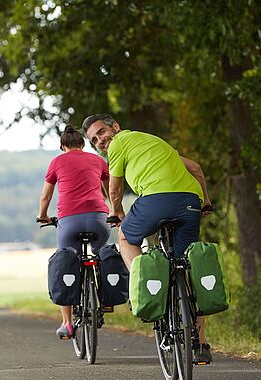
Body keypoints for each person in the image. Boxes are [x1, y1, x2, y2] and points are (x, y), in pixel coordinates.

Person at [82, 113, 214, 363]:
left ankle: (141, 287)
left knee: (125, 238)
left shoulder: (118, 143)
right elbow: (195, 168)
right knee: (187, 266)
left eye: (101, 133)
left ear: (116, 127)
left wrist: (115, 210)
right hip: (189, 202)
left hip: (155, 200)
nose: (100, 141)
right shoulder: (155, 142)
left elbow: (114, 187)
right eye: (94, 140)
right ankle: (201, 342)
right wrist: (206, 201)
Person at [37, 125, 112, 340]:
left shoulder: (57, 162)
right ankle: (106, 298)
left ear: (63, 146)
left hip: (69, 221)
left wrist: (43, 215)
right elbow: (110, 190)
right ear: (83, 144)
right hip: (99, 219)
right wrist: (115, 211)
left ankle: (67, 323)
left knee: (66, 261)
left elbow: (46, 197)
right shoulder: (98, 160)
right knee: (102, 254)